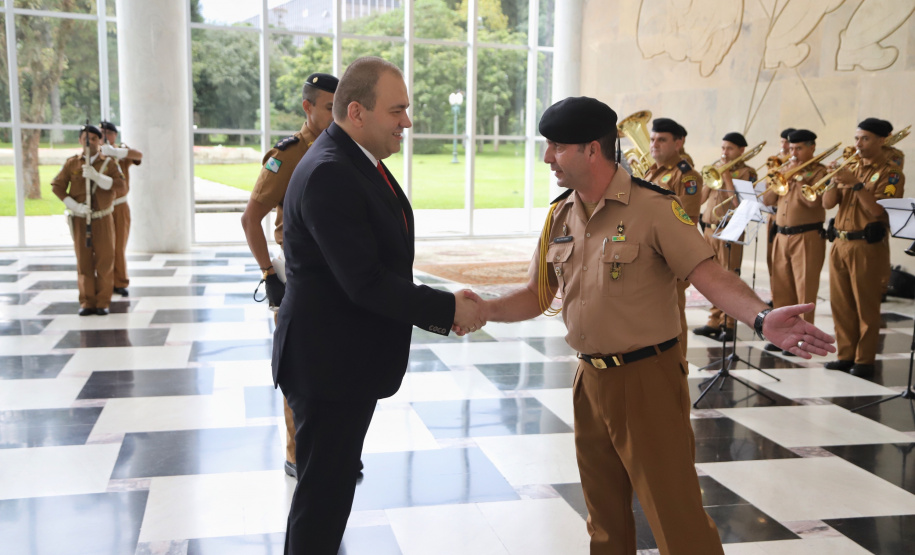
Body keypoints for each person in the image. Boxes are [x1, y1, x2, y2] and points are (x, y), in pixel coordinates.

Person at [456, 96, 835, 555]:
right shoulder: (559, 214)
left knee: (676, 520)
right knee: (605, 523)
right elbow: (537, 295)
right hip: (588, 380)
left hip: (646, 380)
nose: (546, 157)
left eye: (556, 146)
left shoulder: (654, 208)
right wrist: (482, 309)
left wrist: (758, 317)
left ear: (592, 150)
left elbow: (708, 272)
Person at [272, 56, 484, 554]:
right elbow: (365, 282)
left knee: (331, 491)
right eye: (398, 110)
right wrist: (448, 308)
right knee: (322, 500)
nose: (407, 122)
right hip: (327, 367)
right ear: (357, 112)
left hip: (340, 362)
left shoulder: (353, 161)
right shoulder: (330, 172)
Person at [241, 72, 338, 480]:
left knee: (339, 365)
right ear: (308, 108)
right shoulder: (289, 155)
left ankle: (337, 448)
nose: (335, 117)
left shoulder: (348, 150)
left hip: (341, 278)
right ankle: (299, 455)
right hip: (300, 275)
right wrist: (269, 273)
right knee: (301, 369)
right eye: (329, 108)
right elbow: (251, 219)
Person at [823, 118, 905, 376]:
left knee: (866, 306)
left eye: (865, 138)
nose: (858, 143)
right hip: (840, 242)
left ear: (882, 140)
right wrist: (833, 180)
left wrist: (856, 185)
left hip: (867, 246)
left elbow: (878, 211)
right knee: (841, 304)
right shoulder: (852, 167)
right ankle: (846, 354)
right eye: (857, 138)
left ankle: (864, 360)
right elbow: (827, 204)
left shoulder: (892, 172)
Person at [760, 129, 829, 354]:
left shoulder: (819, 172)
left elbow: (814, 204)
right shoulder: (783, 169)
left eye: (799, 148)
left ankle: (805, 338)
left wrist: (798, 178)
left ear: (811, 148)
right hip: (781, 236)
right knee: (781, 289)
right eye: (791, 148)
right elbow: (768, 200)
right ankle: (783, 336)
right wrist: (781, 176)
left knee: (805, 291)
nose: (794, 153)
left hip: (807, 236)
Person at [51, 125, 124, 316]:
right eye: (85, 138)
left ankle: (102, 303)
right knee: (84, 263)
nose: (89, 141)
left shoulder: (109, 163)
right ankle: (86, 302)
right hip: (80, 219)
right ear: (79, 141)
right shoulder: (71, 164)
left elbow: (120, 185)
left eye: (93, 138)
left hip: (102, 219)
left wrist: (98, 177)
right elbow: (57, 186)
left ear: (100, 141)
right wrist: (74, 206)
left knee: (105, 261)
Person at [644, 117, 702, 355]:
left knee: (673, 318)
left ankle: (677, 367)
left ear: (679, 143)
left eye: (662, 139)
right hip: (648, 257)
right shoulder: (651, 171)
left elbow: (685, 221)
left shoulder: (687, 177)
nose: (654, 144)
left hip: (669, 260)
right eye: (653, 139)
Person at [693, 132, 758, 342]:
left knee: (729, 278)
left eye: (729, 148)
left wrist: (728, 178)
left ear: (741, 151)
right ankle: (713, 320)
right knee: (711, 278)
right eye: (723, 148)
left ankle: (728, 324)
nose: (724, 152)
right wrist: (709, 181)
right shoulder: (716, 170)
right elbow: (700, 199)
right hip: (709, 230)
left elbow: (742, 205)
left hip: (731, 230)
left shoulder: (748, 172)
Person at [98, 121, 142, 297]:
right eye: (102, 133)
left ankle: (120, 281)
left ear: (115, 135)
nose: (105, 136)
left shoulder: (121, 152)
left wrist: (117, 152)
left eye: (109, 133)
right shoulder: (95, 154)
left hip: (119, 205)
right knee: (103, 248)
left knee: (119, 246)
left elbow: (139, 156)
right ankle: (104, 282)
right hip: (101, 207)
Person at [762, 128, 796, 281]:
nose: (784, 146)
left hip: (787, 216)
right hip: (773, 215)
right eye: (782, 142)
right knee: (771, 257)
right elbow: (768, 194)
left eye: (787, 142)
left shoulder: (794, 166)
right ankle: (774, 293)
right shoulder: (777, 163)